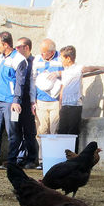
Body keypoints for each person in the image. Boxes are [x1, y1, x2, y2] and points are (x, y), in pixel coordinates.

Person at [51, 45, 104, 152]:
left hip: (75, 106)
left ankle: (73, 155)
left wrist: (100, 68)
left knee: (73, 132)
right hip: (65, 106)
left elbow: (89, 68)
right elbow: (63, 88)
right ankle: (61, 154)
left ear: (68, 58)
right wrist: (60, 104)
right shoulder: (65, 71)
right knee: (62, 130)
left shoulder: (78, 68)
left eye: (62, 58)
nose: (61, 60)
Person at [0, 31, 27, 167]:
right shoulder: (0, 58)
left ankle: (11, 161)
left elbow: (20, 82)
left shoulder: (19, 59)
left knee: (12, 133)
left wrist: (16, 100)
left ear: (5, 44)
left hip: (10, 102)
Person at [31, 38, 63, 167]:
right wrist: (32, 100)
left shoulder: (61, 58)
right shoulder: (37, 59)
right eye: (41, 52)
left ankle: (53, 160)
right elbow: (32, 80)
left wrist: (58, 73)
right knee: (42, 130)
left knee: (54, 130)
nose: (42, 55)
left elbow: (70, 73)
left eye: (45, 52)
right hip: (41, 100)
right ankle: (42, 160)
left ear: (52, 52)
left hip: (55, 101)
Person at [14, 37, 38, 169]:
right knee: (17, 130)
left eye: (19, 47)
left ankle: (31, 158)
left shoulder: (34, 62)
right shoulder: (17, 61)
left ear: (26, 47)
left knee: (29, 131)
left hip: (28, 101)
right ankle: (20, 157)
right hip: (17, 101)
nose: (16, 49)